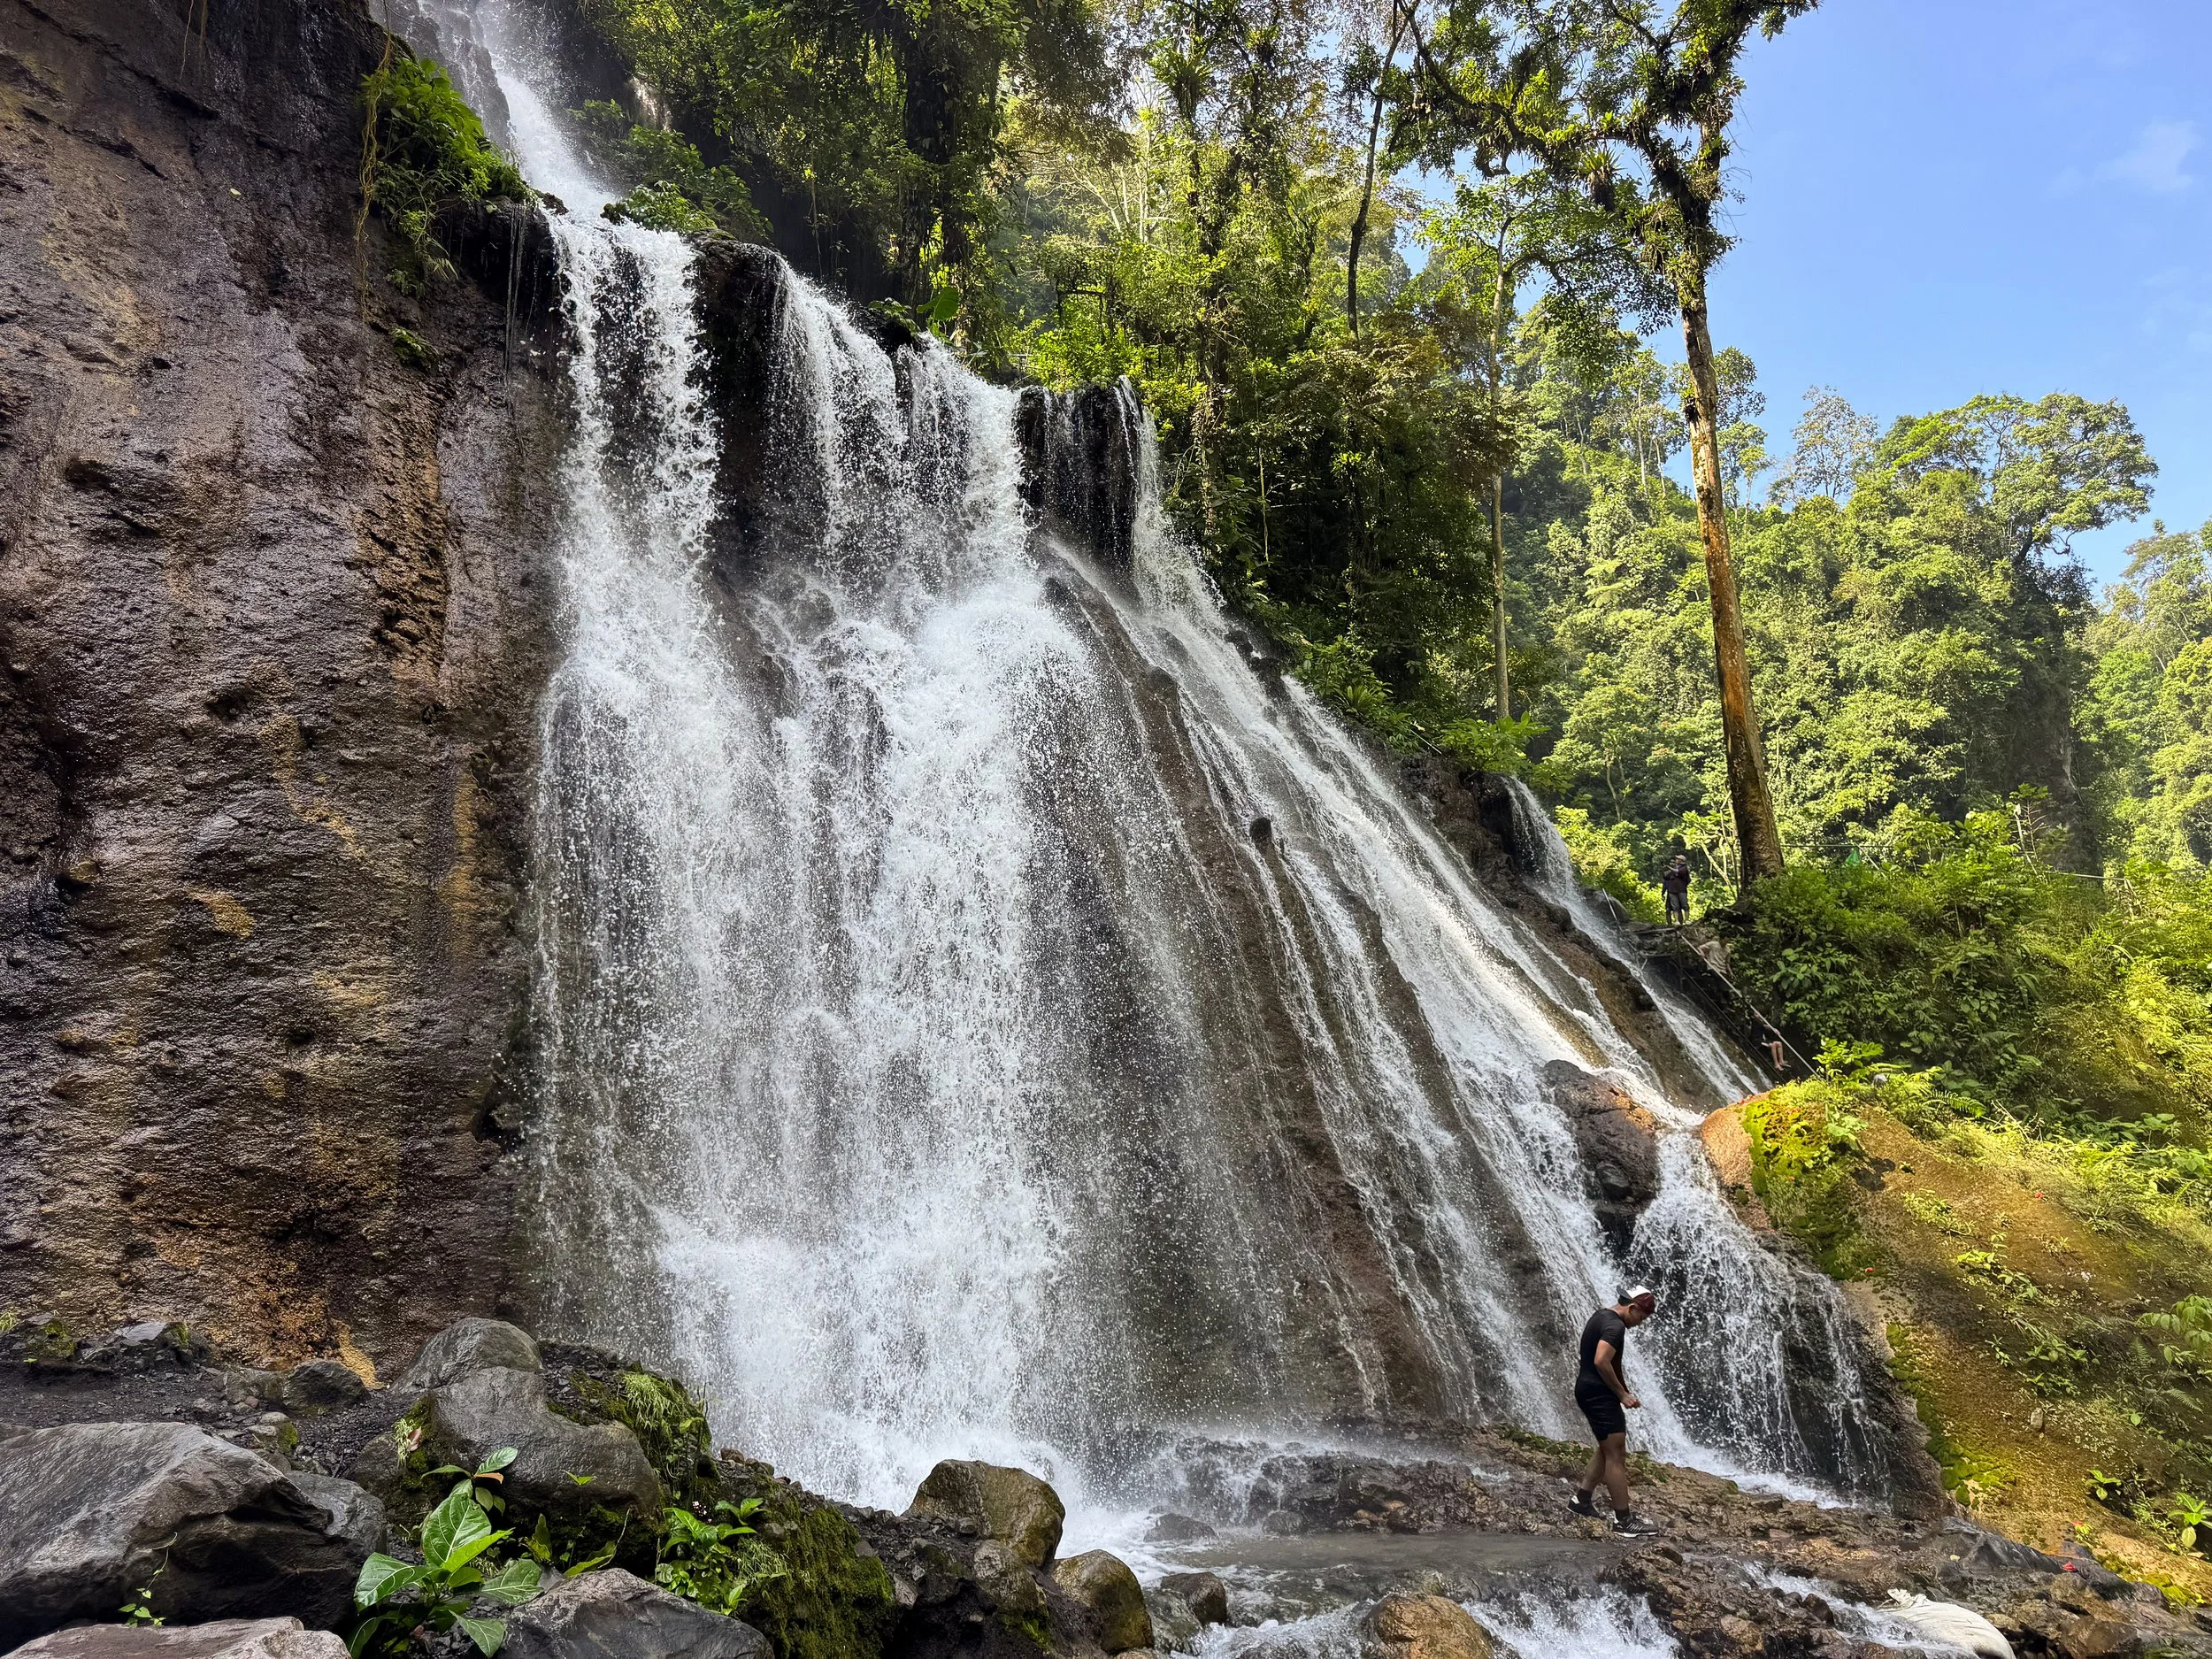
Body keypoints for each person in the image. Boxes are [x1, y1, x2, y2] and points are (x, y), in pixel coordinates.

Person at [1568, 1286, 1660, 1533]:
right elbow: (1601, 1360)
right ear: (1632, 1307)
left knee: (1607, 1448)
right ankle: (1624, 1521)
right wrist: (1620, 1394)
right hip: (1598, 1394)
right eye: (1641, 1317)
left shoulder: (1601, 1316)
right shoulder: (1615, 1326)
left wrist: (1624, 1392)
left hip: (1591, 1390)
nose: (1640, 1323)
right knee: (1617, 1455)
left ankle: (1582, 1501)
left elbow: (1611, 1363)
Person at [1660, 855, 1692, 926]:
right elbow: (1666, 876)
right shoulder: (1673, 869)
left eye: (1677, 859)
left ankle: (1687, 919)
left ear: (1681, 860)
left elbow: (1678, 872)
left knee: (1684, 905)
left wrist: (1668, 867)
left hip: (1681, 889)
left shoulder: (1684, 868)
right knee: (1675, 907)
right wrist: (1663, 869)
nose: (1676, 860)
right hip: (1672, 890)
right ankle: (1676, 921)